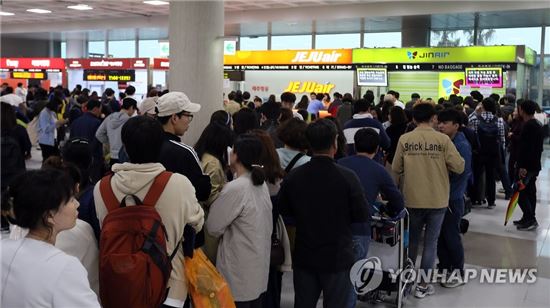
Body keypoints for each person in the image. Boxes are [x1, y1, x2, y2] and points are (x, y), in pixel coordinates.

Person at [93, 116, 204, 308]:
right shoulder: (179, 183)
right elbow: (197, 222)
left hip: (119, 286)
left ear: (125, 148)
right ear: (160, 146)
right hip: (169, 288)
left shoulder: (102, 188)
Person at [277, 119, 369, 307]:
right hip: (338, 256)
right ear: (335, 142)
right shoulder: (348, 177)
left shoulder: (294, 177)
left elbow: (284, 211)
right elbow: (362, 216)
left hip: (305, 255)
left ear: (309, 144)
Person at [392, 103, 465, 298]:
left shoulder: (405, 139)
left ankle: (406, 283)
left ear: (414, 119)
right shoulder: (442, 140)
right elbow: (459, 166)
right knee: (430, 244)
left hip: (412, 199)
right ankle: (423, 286)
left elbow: (396, 169)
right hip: (437, 200)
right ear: (433, 118)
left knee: (412, 243)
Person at [1, 169, 100, 307]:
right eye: (71, 199)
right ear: (49, 216)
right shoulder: (64, 267)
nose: (77, 204)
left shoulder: (4, 249)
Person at [337, 128, 404, 308]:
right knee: (353, 275)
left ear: (353, 145)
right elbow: (398, 201)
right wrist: (389, 209)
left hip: (333, 227)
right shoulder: (378, 170)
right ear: (376, 149)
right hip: (359, 229)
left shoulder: (339, 164)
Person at [206, 134, 273, 308]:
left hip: (237, 270)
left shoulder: (236, 188)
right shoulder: (260, 184)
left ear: (235, 155)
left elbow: (213, 226)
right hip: (257, 267)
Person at [436, 109, 472, 287]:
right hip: (443, 195)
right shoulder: (447, 141)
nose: (441, 125)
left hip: (453, 197)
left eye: (445, 123)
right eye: (439, 122)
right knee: (441, 235)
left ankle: (458, 272)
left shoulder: (461, 145)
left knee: (451, 235)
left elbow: (460, 172)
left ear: (456, 126)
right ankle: (444, 267)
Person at [156, 91, 212, 203]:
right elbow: (202, 192)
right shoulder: (184, 152)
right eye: (188, 116)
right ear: (174, 118)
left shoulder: (146, 145)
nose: (189, 122)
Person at [194, 120, 234, 262]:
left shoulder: (199, 154)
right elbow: (211, 196)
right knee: (210, 258)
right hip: (208, 217)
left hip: (198, 214)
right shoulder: (213, 162)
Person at [468, 97, 506, 208]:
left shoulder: (475, 119)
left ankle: (474, 199)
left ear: (482, 106)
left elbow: (468, 119)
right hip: (493, 153)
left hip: (479, 152)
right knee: (491, 177)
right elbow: (502, 139)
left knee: (476, 174)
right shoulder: (498, 120)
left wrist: (476, 111)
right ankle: (491, 201)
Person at [514, 100, 544, 231]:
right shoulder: (537, 124)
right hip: (534, 165)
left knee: (520, 191)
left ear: (522, 110)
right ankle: (528, 217)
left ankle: (530, 218)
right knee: (530, 191)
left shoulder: (529, 126)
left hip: (527, 166)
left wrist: (522, 167)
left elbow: (527, 149)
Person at [95, 97, 138, 166]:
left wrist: (109, 142)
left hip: (112, 156)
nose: (133, 113)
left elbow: (98, 134)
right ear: (131, 107)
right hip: (126, 157)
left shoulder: (109, 117)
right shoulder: (130, 121)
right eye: (134, 110)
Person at [69, 99, 104, 182]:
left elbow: (71, 140)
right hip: (93, 160)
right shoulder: (97, 123)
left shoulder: (75, 122)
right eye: (100, 109)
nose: (100, 112)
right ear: (95, 109)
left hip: (76, 158)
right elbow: (97, 143)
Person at [38, 96, 67, 161]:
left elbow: (54, 124)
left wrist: (60, 123)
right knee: (48, 160)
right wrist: (57, 123)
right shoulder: (44, 113)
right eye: (58, 106)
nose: (59, 108)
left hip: (53, 139)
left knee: (56, 159)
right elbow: (46, 129)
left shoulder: (52, 112)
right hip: (46, 141)